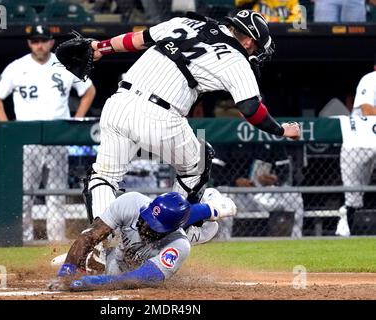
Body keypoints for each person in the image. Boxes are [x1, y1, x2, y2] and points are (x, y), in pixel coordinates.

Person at [78, 9, 300, 247]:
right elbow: (251, 109)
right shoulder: (236, 58)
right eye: (255, 48)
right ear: (248, 41)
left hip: (118, 103)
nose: (254, 53)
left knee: (103, 176)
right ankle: (163, 234)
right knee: (199, 162)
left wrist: (99, 47)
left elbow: (137, 39)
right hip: (160, 115)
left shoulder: (186, 22)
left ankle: (100, 249)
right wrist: (282, 130)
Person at [0, 25, 96, 242]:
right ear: (29, 43)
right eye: (35, 41)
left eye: (43, 40)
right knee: (25, 194)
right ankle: (24, 239)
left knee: (56, 194)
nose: (39, 45)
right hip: (27, 139)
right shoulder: (17, 67)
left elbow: (89, 91)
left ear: (51, 42)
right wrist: (7, 127)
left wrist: (76, 120)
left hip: (57, 137)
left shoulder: (63, 63)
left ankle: (55, 241)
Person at [48, 189, 237, 291]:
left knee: (209, 230)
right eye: (147, 218)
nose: (146, 224)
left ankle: (214, 208)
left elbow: (140, 278)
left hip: (138, 264)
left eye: (154, 225)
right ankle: (212, 208)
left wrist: (91, 283)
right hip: (116, 258)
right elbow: (90, 235)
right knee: (95, 246)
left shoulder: (180, 244)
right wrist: (66, 272)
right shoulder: (132, 202)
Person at [212, 143, 305, 238]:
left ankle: (295, 239)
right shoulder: (230, 138)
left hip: (265, 192)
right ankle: (223, 241)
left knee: (294, 196)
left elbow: (285, 170)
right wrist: (235, 180)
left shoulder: (269, 137)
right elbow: (215, 170)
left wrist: (275, 179)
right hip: (236, 193)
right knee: (222, 197)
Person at [336, 56, 376, 237]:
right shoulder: (370, 78)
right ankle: (345, 233)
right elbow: (368, 110)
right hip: (360, 140)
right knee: (353, 195)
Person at [236, 0, 303, 23]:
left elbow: (298, 17)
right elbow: (239, 2)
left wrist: (281, 22)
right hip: (257, 30)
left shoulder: (291, 1)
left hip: (281, 33)